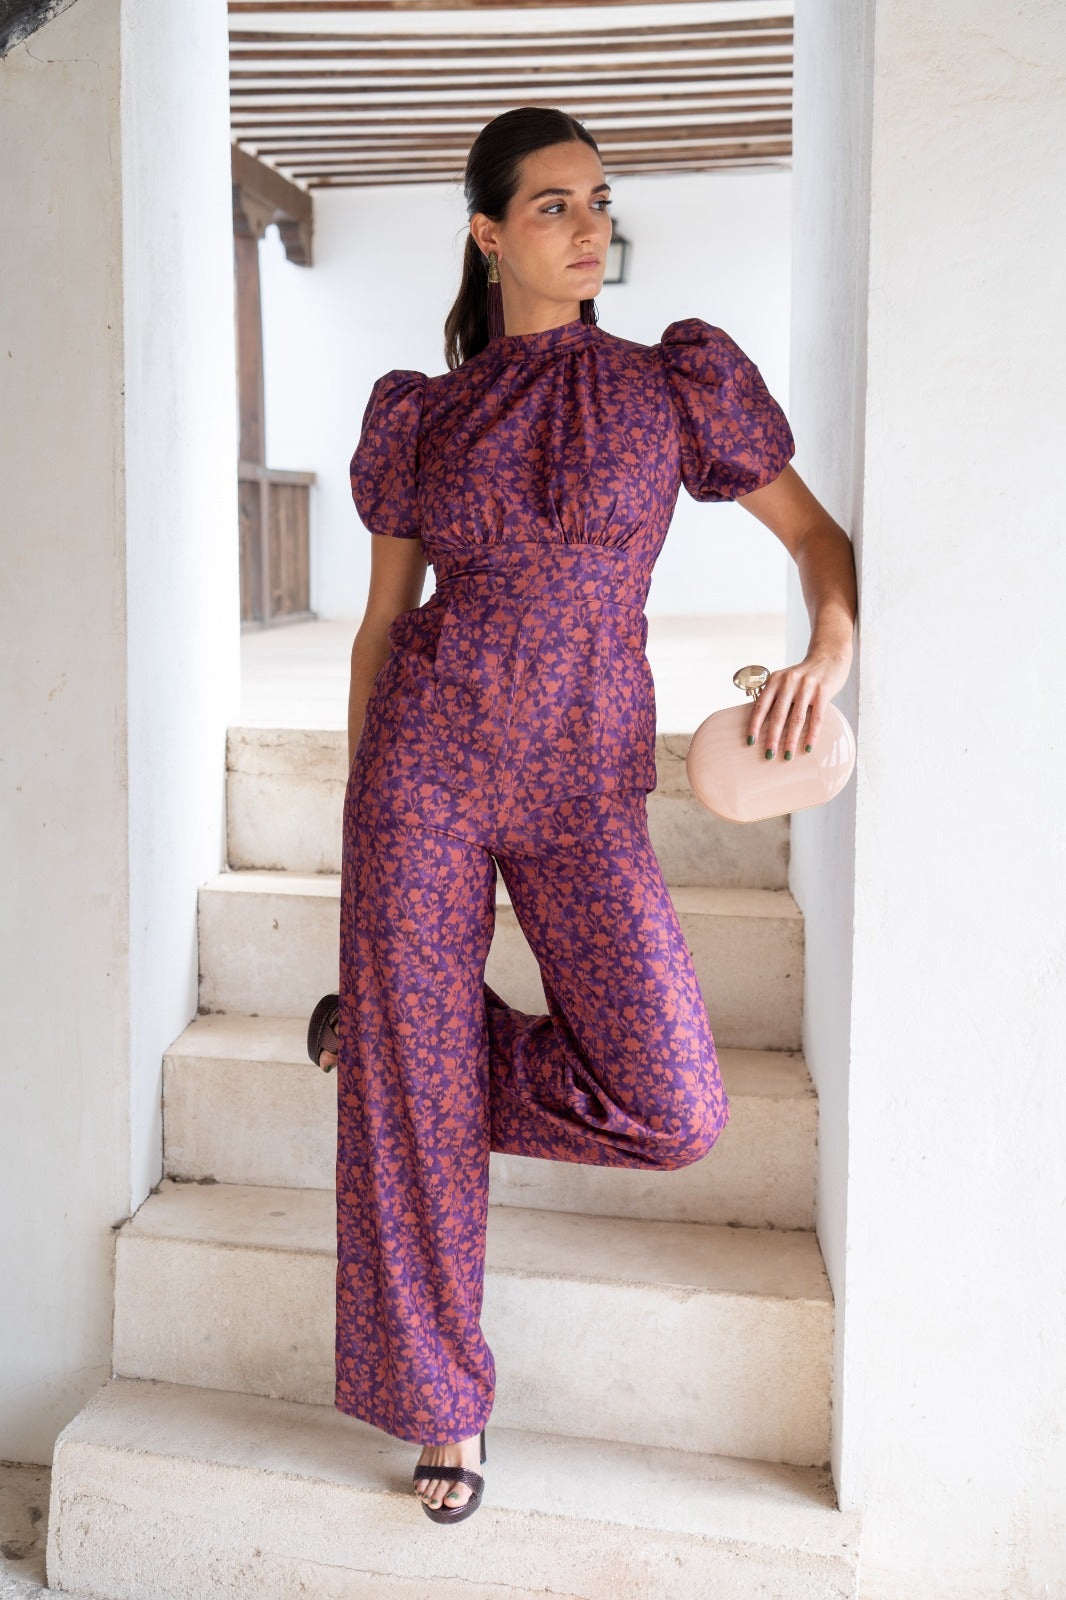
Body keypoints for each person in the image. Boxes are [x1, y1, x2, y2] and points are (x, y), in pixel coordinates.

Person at [317, 106, 857, 1523]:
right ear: (488, 234)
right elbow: (380, 627)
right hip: (425, 765)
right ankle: (444, 1408)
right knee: (413, 1070)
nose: (589, 225)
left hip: (580, 780)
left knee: (674, 1104)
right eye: (553, 204)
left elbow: (815, 537)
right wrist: (361, 820)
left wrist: (829, 649)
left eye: (599, 200)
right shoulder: (423, 413)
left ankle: (402, 1054)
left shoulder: (670, 381)